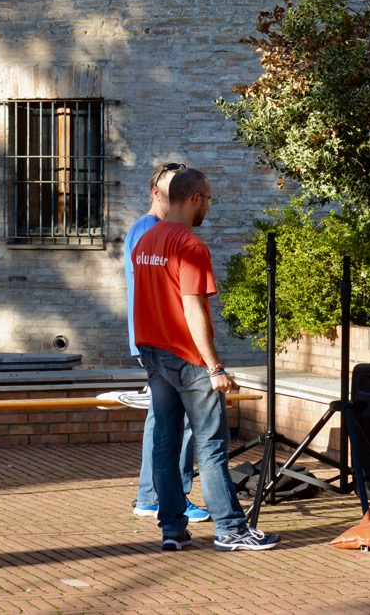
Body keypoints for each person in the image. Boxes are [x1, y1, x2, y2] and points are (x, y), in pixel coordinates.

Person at [132, 168, 279, 552]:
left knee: (164, 443)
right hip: (187, 357)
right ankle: (231, 529)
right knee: (211, 445)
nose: (209, 206)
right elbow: (193, 309)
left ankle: (172, 529)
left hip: (153, 352)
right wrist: (215, 367)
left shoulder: (145, 240)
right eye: (209, 199)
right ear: (195, 199)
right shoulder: (190, 246)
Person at [123, 162, 207, 523]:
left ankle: (154, 496)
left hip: (152, 338)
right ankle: (163, 496)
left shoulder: (150, 231)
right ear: (157, 192)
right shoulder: (151, 230)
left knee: (164, 421)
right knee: (176, 424)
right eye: (171, 190)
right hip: (164, 340)